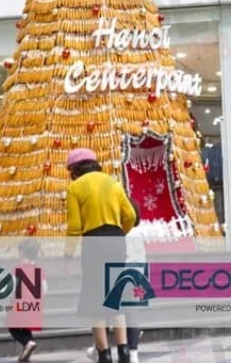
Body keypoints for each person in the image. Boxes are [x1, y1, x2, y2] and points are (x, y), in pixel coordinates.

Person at [66, 148, 137, 363]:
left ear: (74, 170)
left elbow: (75, 227)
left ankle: (104, 355)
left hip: (93, 243)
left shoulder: (75, 187)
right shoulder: (113, 183)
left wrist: (67, 256)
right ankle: (124, 352)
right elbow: (131, 215)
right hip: (116, 241)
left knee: (94, 301)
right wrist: (119, 232)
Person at [7, 239, 43, 362]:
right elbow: (44, 288)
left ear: (22, 252)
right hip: (33, 304)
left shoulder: (17, 268)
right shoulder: (38, 269)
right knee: (26, 328)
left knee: (13, 328)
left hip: (18, 304)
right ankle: (27, 350)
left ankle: (27, 343)